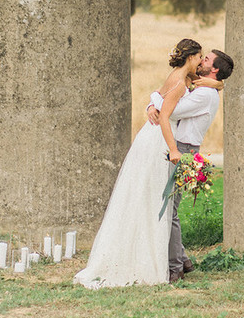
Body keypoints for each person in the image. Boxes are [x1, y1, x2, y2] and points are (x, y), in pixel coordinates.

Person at [73, 39, 223, 288]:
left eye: (205, 59)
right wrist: (172, 147)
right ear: (190, 58)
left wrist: (216, 83)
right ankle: (175, 263)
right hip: (163, 142)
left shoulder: (187, 79)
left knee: (156, 201)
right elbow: (167, 114)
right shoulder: (180, 81)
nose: (201, 61)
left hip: (157, 139)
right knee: (159, 203)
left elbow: (175, 93)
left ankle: (179, 259)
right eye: (200, 57)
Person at [147, 48, 234, 282]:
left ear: (214, 69)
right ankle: (183, 259)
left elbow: (172, 111)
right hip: (182, 146)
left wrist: (153, 102)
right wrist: (151, 105)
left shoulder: (205, 95)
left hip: (183, 150)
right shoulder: (205, 89)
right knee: (170, 207)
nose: (201, 61)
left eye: (205, 59)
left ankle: (175, 266)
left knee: (170, 211)